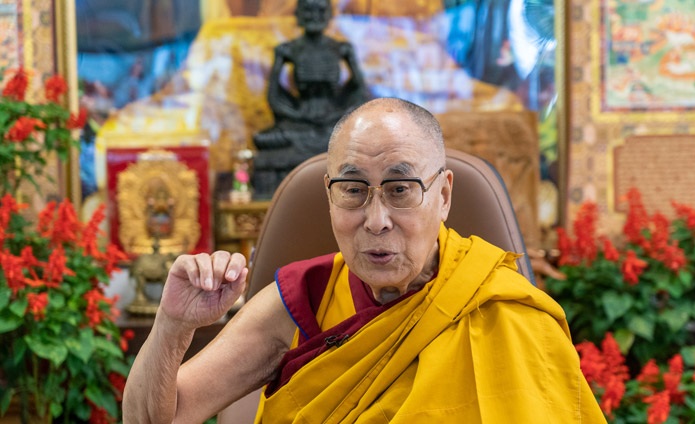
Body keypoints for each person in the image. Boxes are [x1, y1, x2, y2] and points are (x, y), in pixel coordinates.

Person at [123, 97, 606, 423]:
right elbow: (153, 417)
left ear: (443, 196)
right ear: (330, 199)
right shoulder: (300, 303)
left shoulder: (509, 314)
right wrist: (172, 324)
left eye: (400, 190)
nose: (376, 220)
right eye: (353, 190)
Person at [251, 0, 369, 199]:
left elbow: (359, 91)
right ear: (298, 14)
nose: (314, 16)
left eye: (319, 11)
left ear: (328, 15)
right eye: (308, 10)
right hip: (299, 122)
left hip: (333, 120)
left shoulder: (341, 49)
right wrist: (298, 116)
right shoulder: (287, 50)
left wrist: (341, 114)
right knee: (264, 140)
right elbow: (274, 97)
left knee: (357, 140)